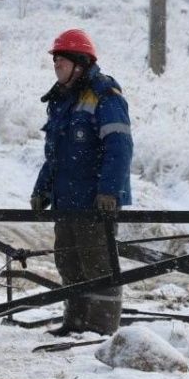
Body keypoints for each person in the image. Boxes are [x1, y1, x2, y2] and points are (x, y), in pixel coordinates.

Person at [30, 28, 133, 335]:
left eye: (61, 60)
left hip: (93, 200)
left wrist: (109, 191)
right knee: (69, 262)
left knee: (98, 265)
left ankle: (101, 329)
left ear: (80, 62)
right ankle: (75, 323)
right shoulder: (63, 100)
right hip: (67, 200)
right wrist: (42, 188)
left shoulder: (103, 95)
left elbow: (119, 146)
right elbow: (56, 155)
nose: (56, 66)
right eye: (55, 61)